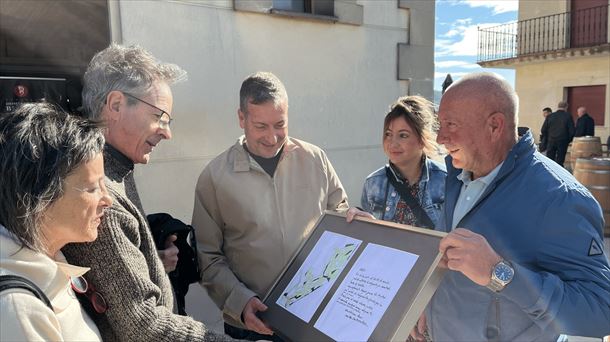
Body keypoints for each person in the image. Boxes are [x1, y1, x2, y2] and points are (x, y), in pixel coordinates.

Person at [411, 72, 610, 341]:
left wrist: (498, 273)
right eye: (440, 123)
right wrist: (426, 303)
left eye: (451, 124)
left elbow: (600, 313)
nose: (440, 137)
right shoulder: (459, 174)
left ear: (495, 126)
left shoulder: (558, 197)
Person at [61, 44, 233, 341]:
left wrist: (149, 256)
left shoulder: (116, 169)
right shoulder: (103, 197)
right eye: (159, 117)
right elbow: (144, 326)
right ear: (115, 105)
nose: (167, 132)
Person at [192, 72, 368, 340]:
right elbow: (208, 257)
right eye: (261, 126)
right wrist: (240, 303)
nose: (272, 137)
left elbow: (340, 215)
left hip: (314, 316)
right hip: (251, 324)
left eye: (280, 124)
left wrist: (355, 219)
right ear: (241, 118)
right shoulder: (214, 177)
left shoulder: (316, 159)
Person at [0, 103, 112, 341]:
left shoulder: (50, 262)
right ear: (39, 196)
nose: (107, 200)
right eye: (92, 187)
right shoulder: (17, 308)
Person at [361, 95, 446, 229]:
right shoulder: (373, 183)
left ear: (422, 140)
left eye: (403, 135)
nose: (392, 143)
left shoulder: (445, 180)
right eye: (388, 134)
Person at [540, 101, 575, 167]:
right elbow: (572, 131)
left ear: (558, 107)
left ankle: (549, 174)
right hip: (563, 141)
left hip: (551, 141)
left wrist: (548, 138)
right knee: (560, 160)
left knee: (550, 160)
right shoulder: (568, 116)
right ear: (566, 107)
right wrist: (568, 140)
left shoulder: (550, 116)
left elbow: (543, 130)